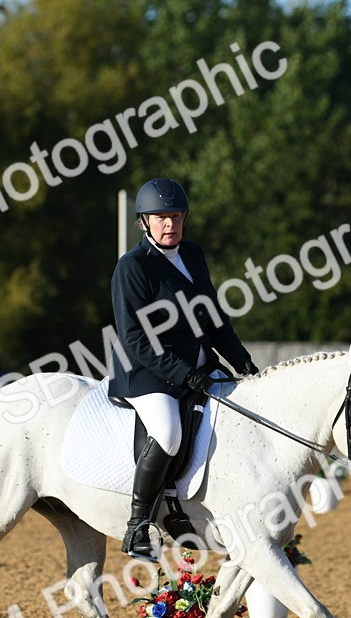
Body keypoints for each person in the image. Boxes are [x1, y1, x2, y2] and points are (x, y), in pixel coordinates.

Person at [109, 178, 259, 562]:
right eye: (161, 218)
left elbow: (213, 316)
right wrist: (183, 374)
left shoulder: (192, 254)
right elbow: (135, 340)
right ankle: (138, 526)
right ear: (144, 222)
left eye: (176, 216)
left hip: (198, 367)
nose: (170, 224)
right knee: (169, 433)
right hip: (148, 373)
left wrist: (241, 361)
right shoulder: (132, 267)